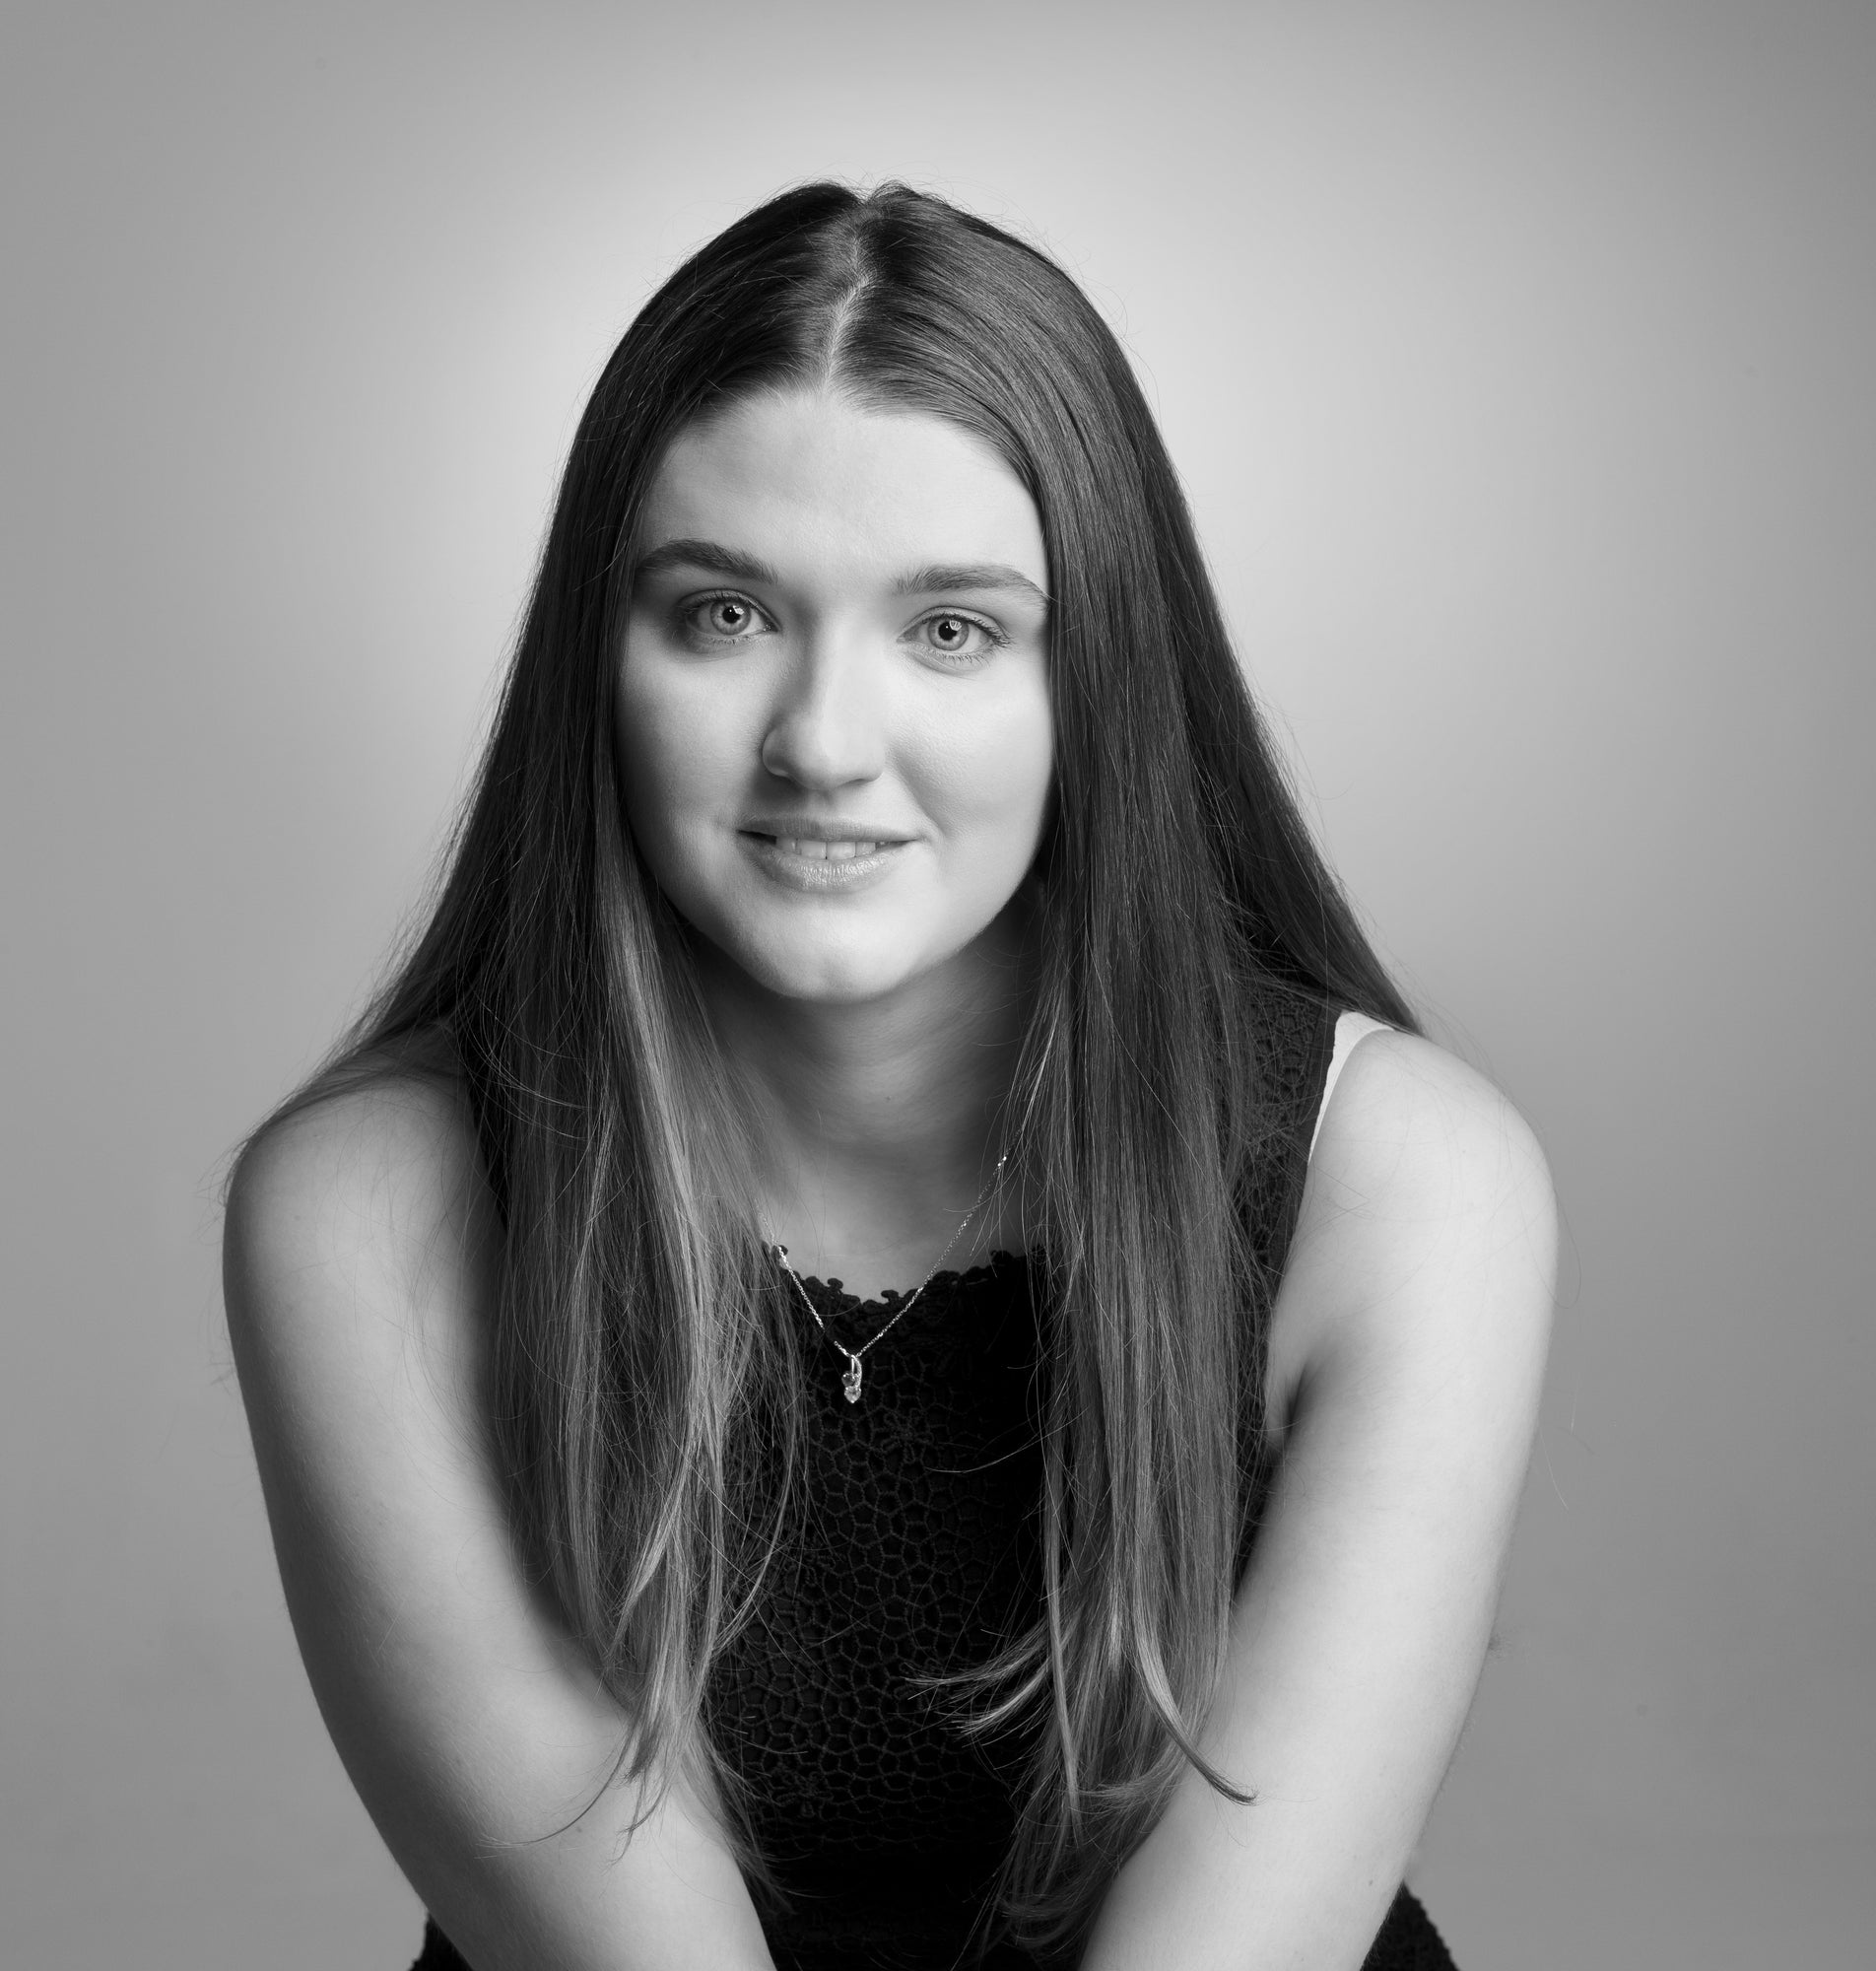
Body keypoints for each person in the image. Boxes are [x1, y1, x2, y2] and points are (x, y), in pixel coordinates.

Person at [223, 182, 1557, 1971]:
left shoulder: (1401, 1179)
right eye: (723, 615)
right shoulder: (372, 1205)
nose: (825, 744)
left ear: (1098, 680)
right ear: (596, 663)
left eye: (952, 630)